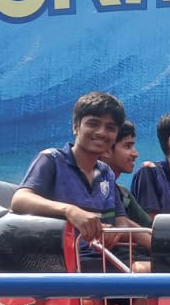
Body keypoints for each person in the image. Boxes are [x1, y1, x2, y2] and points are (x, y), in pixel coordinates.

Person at [11, 91, 150, 272]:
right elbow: (20, 199)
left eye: (110, 128)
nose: (101, 132)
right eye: (93, 124)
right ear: (76, 127)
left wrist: (115, 232)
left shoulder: (106, 172)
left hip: (103, 257)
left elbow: (121, 219)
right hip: (63, 263)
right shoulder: (51, 159)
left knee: (163, 269)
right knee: (145, 272)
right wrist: (70, 211)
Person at [101, 119, 154, 231]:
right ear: (106, 150)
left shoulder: (123, 193)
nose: (136, 154)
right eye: (128, 146)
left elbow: (149, 227)